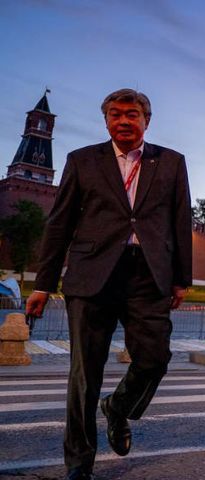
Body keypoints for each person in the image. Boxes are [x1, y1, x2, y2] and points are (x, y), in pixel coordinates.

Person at [25, 89, 193, 480]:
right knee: (85, 375)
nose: (123, 121)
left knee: (154, 358)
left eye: (131, 115)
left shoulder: (170, 163)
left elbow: (180, 221)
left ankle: (117, 408)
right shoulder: (83, 161)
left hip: (147, 275)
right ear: (105, 121)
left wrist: (182, 278)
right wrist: (43, 284)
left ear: (146, 120)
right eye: (115, 115)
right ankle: (79, 464)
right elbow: (59, 224)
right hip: (91, 276)